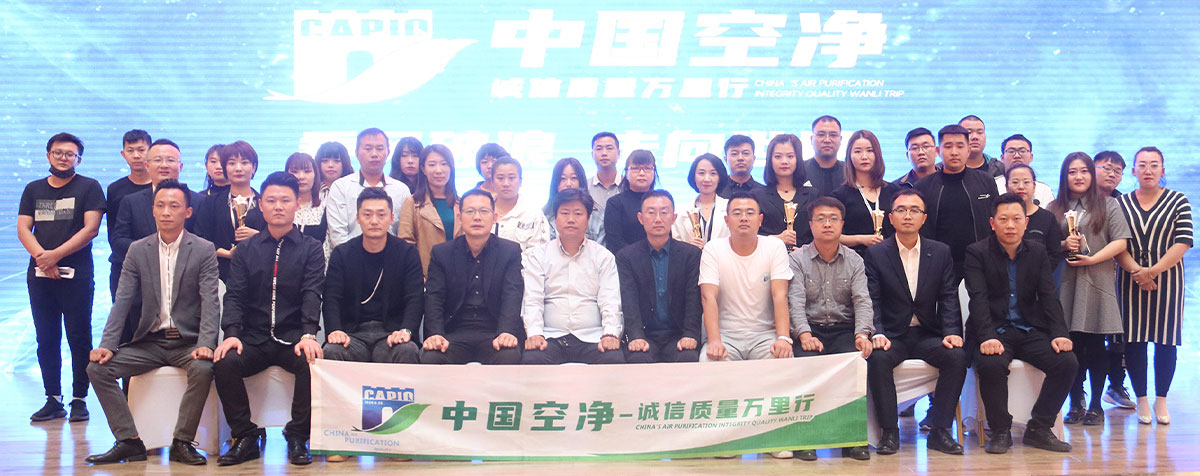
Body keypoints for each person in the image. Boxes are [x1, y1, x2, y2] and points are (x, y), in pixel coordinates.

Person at [84, 180, 220, 465]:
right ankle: (129, 440)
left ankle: (182, 442)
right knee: (98, 369)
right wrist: (107, 344)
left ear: (188, 212)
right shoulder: (138, 250)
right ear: (153, 209)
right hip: (150, 342)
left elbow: (210, 300)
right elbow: (122, 301)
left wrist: (206, 344)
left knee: (203, 368)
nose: (166, 212)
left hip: (187, 342)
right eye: (160, 205)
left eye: (174, 206)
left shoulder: (204, 249)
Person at [213, 172, 324, 466]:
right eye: (271, 200)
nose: (278, 206)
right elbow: (235, 295)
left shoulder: (311, 248)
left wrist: (308, 334)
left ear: (297, 204)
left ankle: (298, 435)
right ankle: (245, 436)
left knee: (311, 362)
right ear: (260, 205)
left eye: (285, 200)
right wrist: (231, 334)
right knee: (224, 362)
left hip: (293, 337)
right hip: (253, 338)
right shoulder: (246, 250)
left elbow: (312, 293)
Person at [964, 193, 1076, 454]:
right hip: (994, 329)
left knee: (1067, 362)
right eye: (1003, 219)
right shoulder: (977, 252)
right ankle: (1000, 430)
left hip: (1028, 327)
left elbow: (1048, 296)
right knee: (990, 364)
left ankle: (1039, 428)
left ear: (1026, 223)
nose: (1010, 225)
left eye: (1016, 219)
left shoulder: (1037, 251)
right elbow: (978, 299)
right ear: (992, 223)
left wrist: (1059, 333)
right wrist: (987, 336)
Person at [864, 189, 966, 456]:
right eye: (901, 210)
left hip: (927, 333)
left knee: (956, 356)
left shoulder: (940, 252)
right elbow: (872, 299)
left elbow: (948, 296)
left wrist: (951, 331)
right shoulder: (876, 254)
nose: (907, 215)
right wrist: (878, 332)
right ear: (890, 217)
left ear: (924, 218)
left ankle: (940, 431)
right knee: (877, 359)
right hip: (892, 335)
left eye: (914, 210)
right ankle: (889, 432)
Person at [20, 132, 106, 422]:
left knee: (79, 337)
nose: (63, 158)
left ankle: (79, 399)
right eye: (58, 153)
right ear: (48, 155)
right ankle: (53, 399)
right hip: (39, 274)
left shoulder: (89, 187)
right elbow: (23, 228)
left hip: (77, 274)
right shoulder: (33, 189)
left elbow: (91, 229)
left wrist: (54, 256)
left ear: (78, 159)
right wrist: (42, 259)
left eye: (70, 154)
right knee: (46, 337)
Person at [1048, 153, 1131, 426]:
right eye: (1072, 172)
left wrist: (1093, 259)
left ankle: (1096, 405)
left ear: (1091, 175)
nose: (1079, 176)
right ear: (1065, 176)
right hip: (1065, 285)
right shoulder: (1054, 208)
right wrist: (1063, 245)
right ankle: (1075, 402)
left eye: (1084, 171)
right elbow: (1045, 246)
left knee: (1096, 346)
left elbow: (1120, 242)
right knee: (1070, 346)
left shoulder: (1109, 204)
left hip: (1097, 282)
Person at [788, 197, 874, 461]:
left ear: (842, 224)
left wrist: (862, 334)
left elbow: (862, 300)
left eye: (833, 219)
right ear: (811, 225)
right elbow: (795, 301)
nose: (827, 224)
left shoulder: (854, 260)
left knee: (854, 365)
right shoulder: (796, 259)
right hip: (809, 329)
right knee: (805, 366)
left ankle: (852, 440)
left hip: (843, 329)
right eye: (821, 219)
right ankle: (805, 440)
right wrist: (804, 334)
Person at [1116, 146, 1192, 425]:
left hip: (1168, 280)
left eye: (1154, 164)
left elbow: (1183, 241)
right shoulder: (1121, 203)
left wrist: (1152, 272)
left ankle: (1161, 399)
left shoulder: (1178, 200)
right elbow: (1117, 243)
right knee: (1134, 340)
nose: (1148, 170)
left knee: (1166, 340)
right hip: (1130, 279)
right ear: (1133, 170)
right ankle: (1141, 399)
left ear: (1163, 169)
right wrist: (1137, 272)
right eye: (1142, 165)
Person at [111, 140, 203, 344]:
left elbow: (202, 242)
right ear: (147, 165)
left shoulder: (198, 202)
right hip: (138, 289)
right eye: (158, 160)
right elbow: (118, 240)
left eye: (170, 160)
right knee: (129, 344)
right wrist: (153, 253)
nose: (164, 165)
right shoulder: (131, 201)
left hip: (185, 290)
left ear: (180, 166)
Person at [521, 188, 624, 365]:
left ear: (588, 220)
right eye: (565, 213)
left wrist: (610, 334)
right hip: (550, 336)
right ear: (555, 219)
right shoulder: (538, 256)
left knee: (613, 359)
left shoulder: (603, 257)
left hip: (593, 336)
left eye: (578, 213)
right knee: (533, 360)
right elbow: (533, 300)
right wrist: (535, 334)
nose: (571, 219)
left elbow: (610, 300)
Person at [421, 189, 524, 365]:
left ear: (494, 217)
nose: (477, 217)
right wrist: (436, 334)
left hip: (494, 331)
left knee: (509, 355)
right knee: (432, 357)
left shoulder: (510, 251)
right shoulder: (442, 253)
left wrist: (506, 331)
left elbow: (512, 295)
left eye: (484, 211)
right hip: (454, 332)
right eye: (470, 211)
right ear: (460, 218)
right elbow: (434, 297)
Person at [322, 188, 422, 369]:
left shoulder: (407, 253)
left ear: (391, 218)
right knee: (332, 350)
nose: (374, 221)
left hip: (391, 333)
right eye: (367, 215)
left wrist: (406, 330)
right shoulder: (342, 254)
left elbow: (415, 298)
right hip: (353, 334)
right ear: (358, 218)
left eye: (381, 215)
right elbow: (331, 298)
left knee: (406, 349)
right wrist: (335, 330)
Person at [616, 190, 702, 363]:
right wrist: (636, 336)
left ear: (674, 217)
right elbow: (629, 300)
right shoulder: (626, 257)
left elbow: (693, 299)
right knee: (638, 358)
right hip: (645, 334)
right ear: (640, 218)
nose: (658, 219)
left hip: (678, 333)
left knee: (688, 357)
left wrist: (690, 334)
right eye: (651, 212)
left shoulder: (690, 254)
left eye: (664, 212)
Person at [915, 124, 999, 281]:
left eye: (960, 146)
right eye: (948, 146)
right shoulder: (923, 186)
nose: (954, 152)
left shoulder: (986, 181)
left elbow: (996, 221)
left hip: (981, 263)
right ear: (938, 151)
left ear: (968, 150)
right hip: (936, 266)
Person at [1093, 150, 1136, 410]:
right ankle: (1079, 395)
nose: (1112, 174)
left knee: (1120, 337)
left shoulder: (1125, 203)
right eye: (1106, 168)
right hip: (1084, 275)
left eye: (1117, 171)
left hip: (1118, 279)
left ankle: (1116, 386)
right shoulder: (1076, 199)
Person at [193, 141, 265, 283]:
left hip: (259, 274)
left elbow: (278, 237)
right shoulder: (211, 202)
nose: (238, 168)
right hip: (220, 274)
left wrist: (258, 236)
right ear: (225, 168)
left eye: (244, 163)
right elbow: (199, 238)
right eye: (232, 163)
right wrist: (226, 253)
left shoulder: (265, 202)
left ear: (254, 168)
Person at [325, 129, 410, 248]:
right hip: (349, 257)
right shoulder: (340, 187)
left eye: (379, 148)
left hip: (393, 257)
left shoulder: (401, 190)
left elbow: (404, 234)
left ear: (388, 153)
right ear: (356, 153)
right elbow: (338, 235)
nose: (374, 154)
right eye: (368, 148)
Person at [397, 144, 462, 276]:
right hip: (427, 276)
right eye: (432, 165)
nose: (439, 170)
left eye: (444, 164)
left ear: (451, 168)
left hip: (459, 275)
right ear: (423, 169)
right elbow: (406, 243)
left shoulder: (461, 203)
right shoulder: (412, 202)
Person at [832, 130, 899, 256]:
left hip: (891, 258)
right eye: (857, 151)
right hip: (855, 260)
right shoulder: (839, 196)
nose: (864, 156)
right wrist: (860, 239)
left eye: (870, 150)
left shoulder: (894, 191)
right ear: (849, 156)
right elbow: (832, 235)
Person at [106, 130, 152, 301]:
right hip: (124, 265)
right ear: (123, 154)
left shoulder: (163, 188)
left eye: (141, 150)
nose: (136, 155)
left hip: (158, 265)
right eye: (130, 150)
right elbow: (113, 232)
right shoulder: (115, 189)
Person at [754, 134, 818, 251]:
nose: (784, 161)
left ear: (798, 159)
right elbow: (749, 235)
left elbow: (819, 232)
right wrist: (776, 239)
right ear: (770, 160)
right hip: (768, 258)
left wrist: (805, 251)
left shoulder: (813, 195)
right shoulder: (756, 196)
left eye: (790, 156)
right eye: (778, 156)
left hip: (806, 259)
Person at [1004, 165, 1065, 269]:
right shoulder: (1000, 217)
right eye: (1015, 182)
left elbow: (1053, 254)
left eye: (1026, 182)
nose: (1021, 187)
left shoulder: (1047, 218)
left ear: (1034, 187)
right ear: (1006, 187)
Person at [490, 156, 550, 251]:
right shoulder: (482, 210)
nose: (506, 183)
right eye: (500, 178)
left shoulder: (533, 213)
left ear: (520, 181)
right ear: (492, 182)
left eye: (511, 178)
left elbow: (540, 251)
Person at [671, 153, 730, 248]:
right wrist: (688, 248)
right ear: (694, 177)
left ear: (720, 177)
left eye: (713, 173)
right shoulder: (681, 212)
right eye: (701, 173)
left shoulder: (730, 208)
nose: (707, 179)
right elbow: (675, 245)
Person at [604, 150, 658, 253]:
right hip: (625, 260)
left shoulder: (661, 202)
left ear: (654, 172)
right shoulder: (615, 203)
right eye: (636, 168)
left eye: (647, 168)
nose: (641, 173)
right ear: (626, 173)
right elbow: (614, 242)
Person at [545, 157, 604, 242]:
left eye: (573, 178)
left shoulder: (597, 215)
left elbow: (600, 248)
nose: (568, 184)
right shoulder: (544, 215)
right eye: (563, 178)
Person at [994, 134, 1054, 206]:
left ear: (1031, 157)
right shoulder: (993, 185)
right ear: (1002, 158)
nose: (1017, 156)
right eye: (1011, 151)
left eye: (1022, 151)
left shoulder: (1044, 190)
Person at [284, 152, 327, 245]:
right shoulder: (280, 206)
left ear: (315, 175)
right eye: (295, 172)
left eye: (307, 171)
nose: (301, 177)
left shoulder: (326, 205)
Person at [588, 132, 623, 244]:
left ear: (618, 153)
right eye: (599, 149)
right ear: (592, 154)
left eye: (609, 148)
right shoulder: (584, 188)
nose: (604, 153)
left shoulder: (629, 187)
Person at [803, 115, 846, 197]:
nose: (827, 140)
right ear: (811, 139)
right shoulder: (799, 171)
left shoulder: (850, 172)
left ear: (840, 139)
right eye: (821, 135)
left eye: (833, 135)